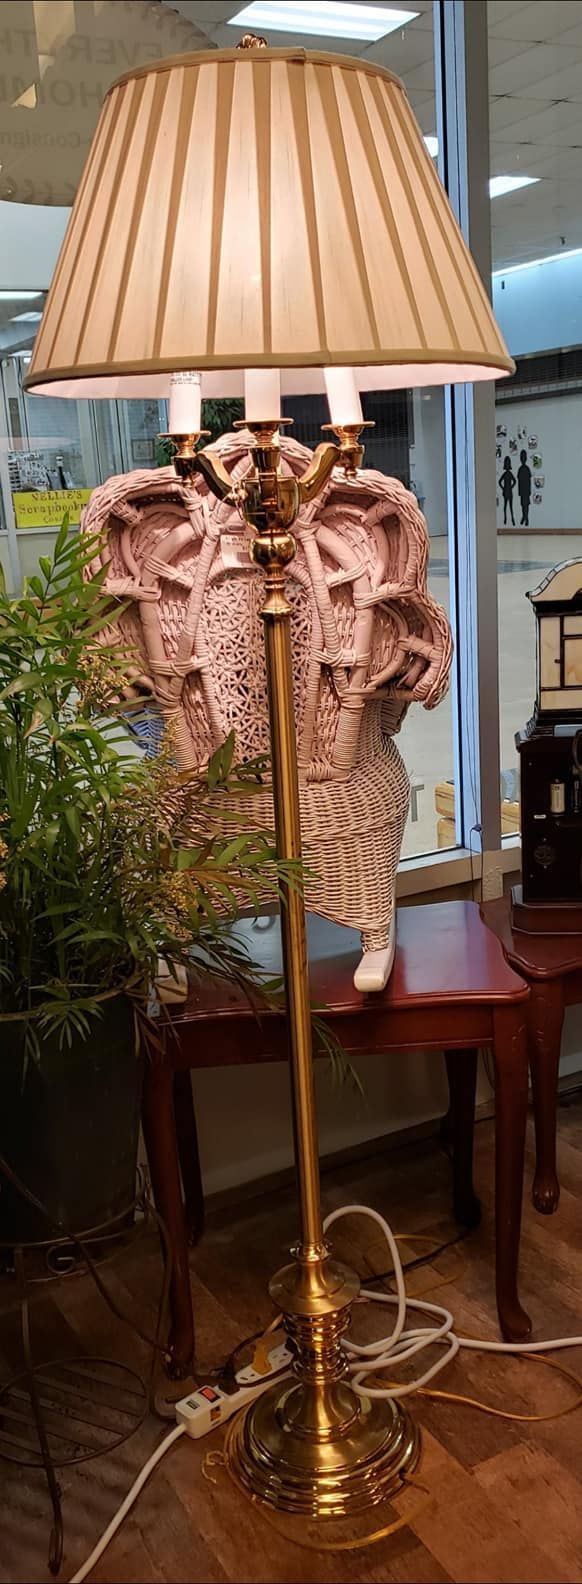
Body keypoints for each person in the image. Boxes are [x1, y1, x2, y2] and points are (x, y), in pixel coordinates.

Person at [499, 454, 516, 526]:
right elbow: (514, 481)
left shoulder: (506, 474)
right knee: (509, 507)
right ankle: (510, 520)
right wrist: (510, 487)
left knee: (506, 506)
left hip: (507, 491)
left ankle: (508, 519)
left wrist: (504, 488)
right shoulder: (508, 473)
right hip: (508, 491)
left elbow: (500, 482)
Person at [517, 448, 532, 527]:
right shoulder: (520, 469)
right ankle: (524, 516)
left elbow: (529, 481)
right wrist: (519, 491)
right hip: (522, 490)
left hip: (526, 490)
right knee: (523, 505)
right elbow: (519, 481)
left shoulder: (526, 469)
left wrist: (529, 490)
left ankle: (526, 518)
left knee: (526, 505)